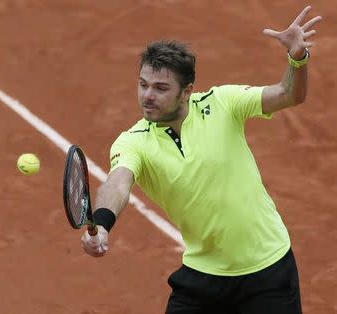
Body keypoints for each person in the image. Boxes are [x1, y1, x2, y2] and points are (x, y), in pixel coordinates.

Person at [81, 6, 322, 314]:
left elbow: (290, 94)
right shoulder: (133, 141)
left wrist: (297, 59)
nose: (147, 96)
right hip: (203, 277)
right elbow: (118, 183)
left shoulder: (222, 103)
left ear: (187, 92)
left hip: (268, 270)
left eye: (160, 88)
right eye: (143, 84)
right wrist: (102, 224)